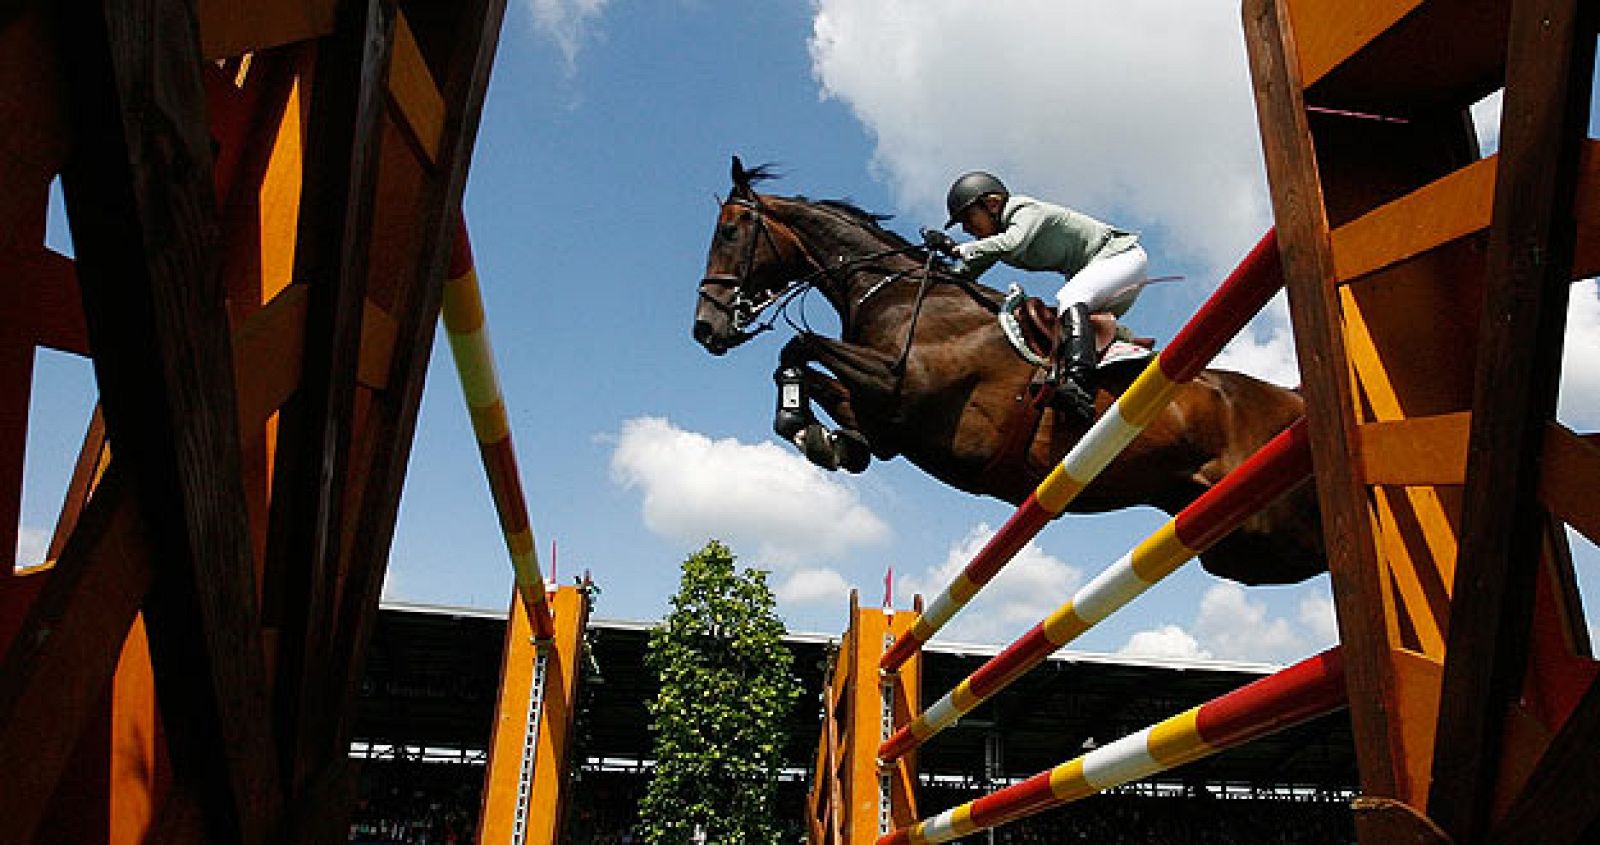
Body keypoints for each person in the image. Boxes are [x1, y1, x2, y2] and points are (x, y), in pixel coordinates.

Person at [926, 171, 1149, 420]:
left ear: (993, 204)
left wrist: (957, 248)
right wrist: (935, 269)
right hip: (1108, 273)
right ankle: (1121, 350)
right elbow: (965, 273)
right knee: (1066, 326)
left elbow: (1013, 242)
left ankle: (1079, 385)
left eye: (968, 218)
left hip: (1122, 258)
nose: (966, 229)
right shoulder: (995, 240)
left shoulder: (1023, 210)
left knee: (1069, 298)